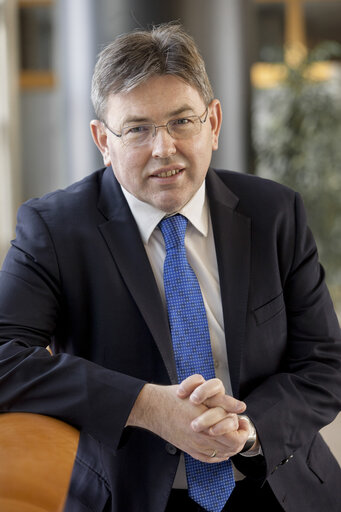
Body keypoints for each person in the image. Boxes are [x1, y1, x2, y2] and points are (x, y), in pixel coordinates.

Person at [0, 23, 340, 512]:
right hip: (128, 495)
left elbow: (325, 365)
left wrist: (247, 430)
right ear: (103, 140)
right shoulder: (54, 229)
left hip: (278, 483)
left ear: (214, 123)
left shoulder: (275, 213)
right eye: (138, 128)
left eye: (183, 121)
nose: (164, 149)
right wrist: (146, 405)